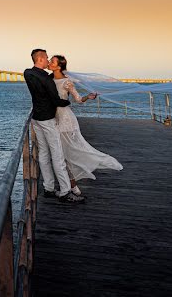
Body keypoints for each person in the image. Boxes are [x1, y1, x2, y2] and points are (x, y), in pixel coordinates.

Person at [48, 55, 123, 196]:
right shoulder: (48, 79)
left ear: (58, 66)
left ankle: (73, 187)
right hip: (53, 119)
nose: (49, 63)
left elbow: (77, 99)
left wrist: (88, 97)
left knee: (66, 155)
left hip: (66, 120)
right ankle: (73, 187)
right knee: (62, 156)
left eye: (52, 61)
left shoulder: (67, 82)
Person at [23, 48, 85, 204]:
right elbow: (57, 100)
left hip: (36, 118)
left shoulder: (28, 73)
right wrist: (67, 101)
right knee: (57, 156)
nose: (48, 60)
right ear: (41, 58)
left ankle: (49, 188)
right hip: (48, 120)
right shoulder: (46, 79)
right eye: (46, 58)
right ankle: (65, 192)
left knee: (43, 154)